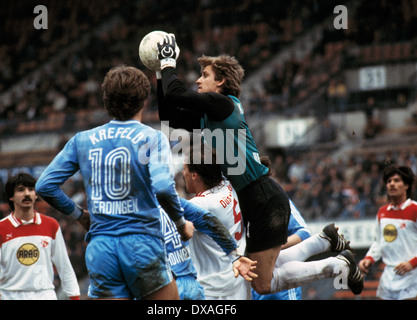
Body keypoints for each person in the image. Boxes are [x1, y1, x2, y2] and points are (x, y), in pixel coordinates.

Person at [155, 33, 363, 295]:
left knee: (262, 283)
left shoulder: (223, 104)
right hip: (257, 197)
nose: (198, 79)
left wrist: (167, 61)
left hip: (262, 196)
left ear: (220, 81)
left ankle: (336, 265)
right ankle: (323, 241)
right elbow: (170, 116)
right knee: (255, 266)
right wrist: (160, 73)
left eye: (205, 75)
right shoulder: (212, 115)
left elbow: (176, 95)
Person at [36, 65, 194, 300]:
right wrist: (180, 224)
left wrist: (80, 215)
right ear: (144, 100)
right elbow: (162, 187)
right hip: (142, 244)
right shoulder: (152, 138)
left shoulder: (82, 140)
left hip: (101, 248)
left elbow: (44, 186)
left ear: (106, 101)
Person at [0, 172, 80, 300]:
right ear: (11, 197)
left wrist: (74, 296)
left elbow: (64, 266)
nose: (27, 194)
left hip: (44, 294)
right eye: (21, 190)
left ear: (36, 195)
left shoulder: (51, 225)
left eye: (31, 189)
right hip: (9, 295)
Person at [182, 143, 252, 299]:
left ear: (194, 175)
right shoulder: (227, 184)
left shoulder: (201, 205)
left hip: (214, 290)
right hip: (238, 280)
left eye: (184, 169)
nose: (182, 173)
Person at [164, 197, 257, 300]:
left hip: (170, 284)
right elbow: (208, 220)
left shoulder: (165, 200)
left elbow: (205, 219)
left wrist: (182, 225)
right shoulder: (168, 197)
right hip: (189, 285)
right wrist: (234, 255)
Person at [252, 156, 311, 300]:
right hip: (255, 287)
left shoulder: (278, 200)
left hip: (283, 286)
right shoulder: (241, 205)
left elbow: (304, 233)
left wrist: (274, 246)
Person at [358, 165, 417, 300]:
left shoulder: (414, 209)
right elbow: (379, 242)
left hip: (412, 276)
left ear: (406, 185)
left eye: (397, 181)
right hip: (388, 277)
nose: (392, 184)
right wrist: (368, 259)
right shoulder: (382, 212)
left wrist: (412, 263)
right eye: (389, 181)